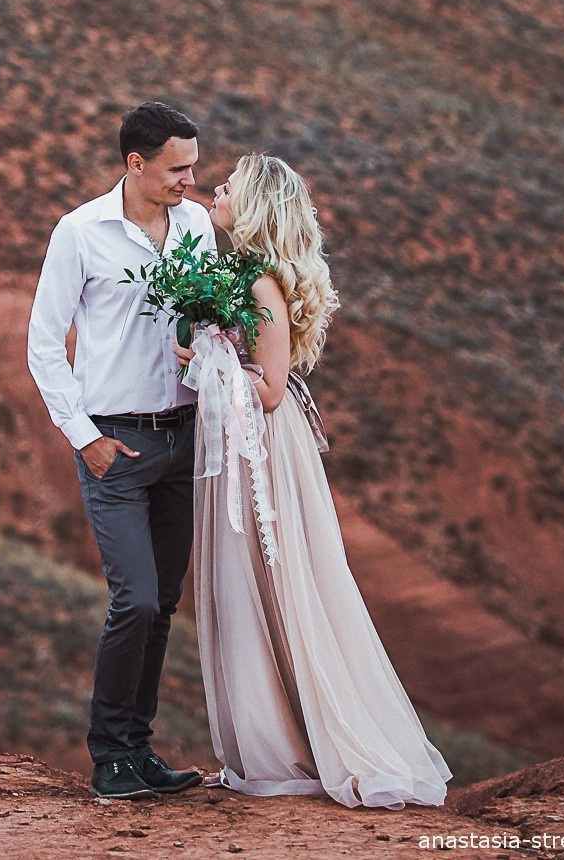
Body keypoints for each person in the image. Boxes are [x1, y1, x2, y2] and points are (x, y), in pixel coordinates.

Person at [175, 153, 453, 810]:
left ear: (257, 208)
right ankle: (260, 746)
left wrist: (204, 357)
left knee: (266, 585)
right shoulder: (236, 276)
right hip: (241, 443)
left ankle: (283, 752)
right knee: (245, 588)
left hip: (261, 449)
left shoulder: (261, 284)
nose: (216, 190)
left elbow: (269, 390)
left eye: (229, 187)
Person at [26, 101, 216, 800]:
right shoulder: (80, 232)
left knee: (163, 603)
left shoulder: (195, 225)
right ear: (135, 163)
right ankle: (109, 756)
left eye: (194, 167)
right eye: (178, 168)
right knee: (133, 600)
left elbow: (206, 320)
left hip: (184, 438)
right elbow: (44, 343)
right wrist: (87, 440)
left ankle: (139, 753)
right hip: (117, 444)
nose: (190, 181)